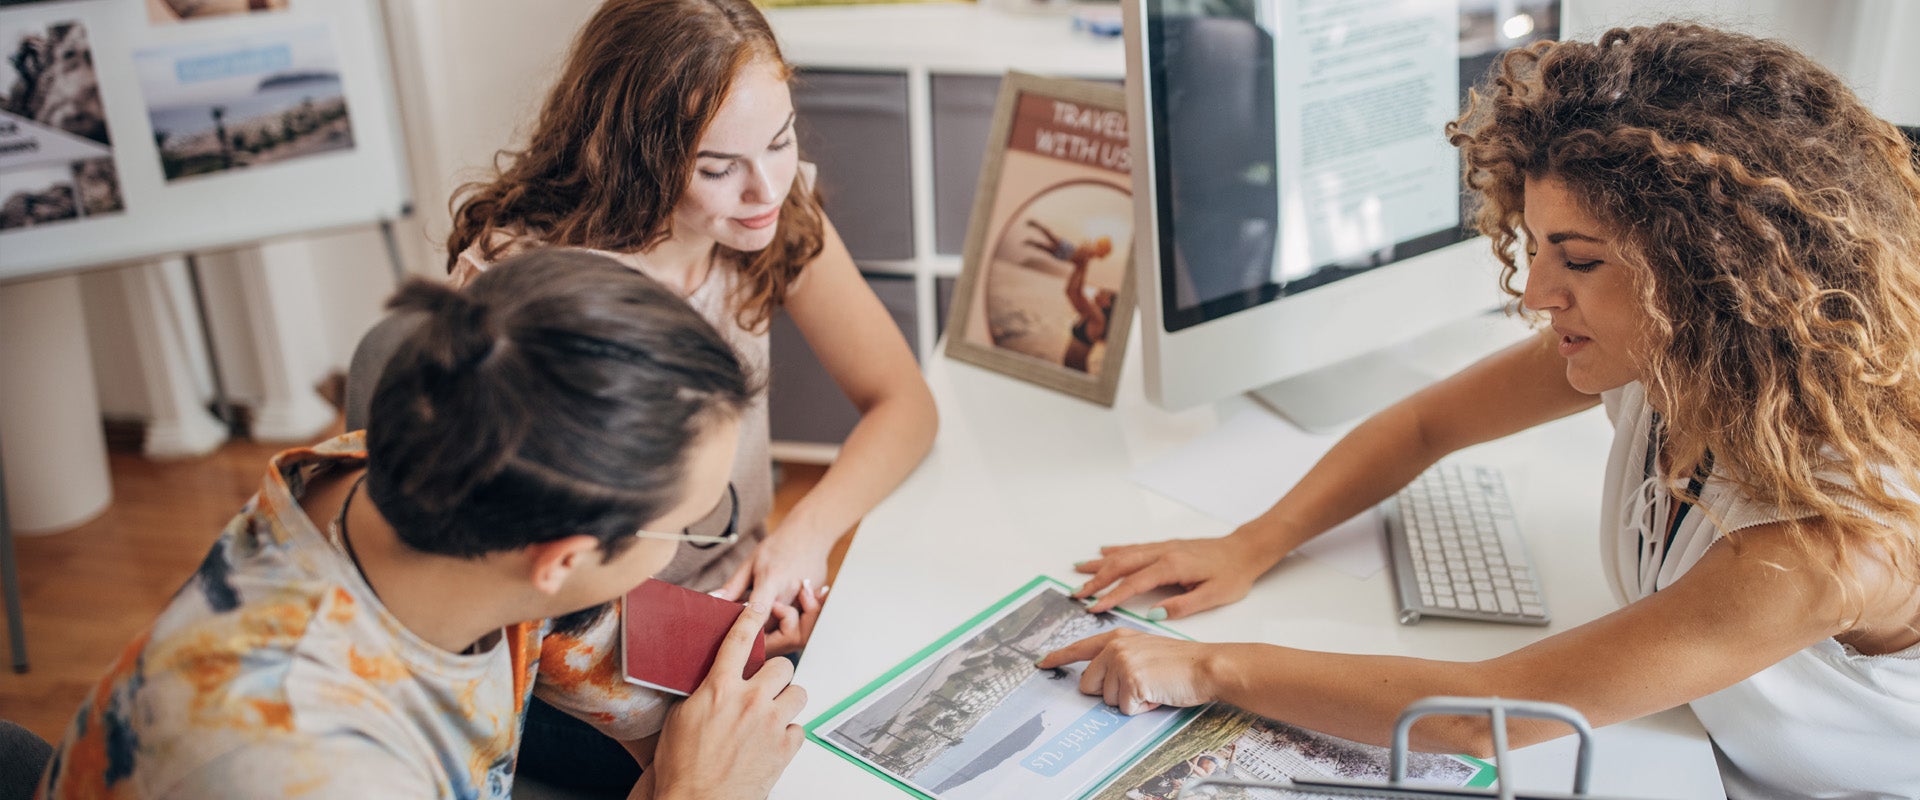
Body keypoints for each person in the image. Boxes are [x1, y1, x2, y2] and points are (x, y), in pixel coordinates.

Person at [1040, 23, 1920, 799]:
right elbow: (1426, 425)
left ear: (1712, 277)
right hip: (1682, 743)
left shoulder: (1828, 542)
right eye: (1535, 246)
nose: (1537, 292)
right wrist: (1251, 543)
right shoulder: (1659, 350)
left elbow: (1482, 717)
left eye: (1576, 261)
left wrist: (1206, 667)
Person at [35, 250, 812, 799]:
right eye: (682, 528)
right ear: (561, 557)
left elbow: (604, 652)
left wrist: (729, 648)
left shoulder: (438, 473)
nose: (684, 547)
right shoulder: (295, 758)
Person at [442, 0, 936, 790]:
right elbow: (515, 581)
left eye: (781, 139)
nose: (765, 187)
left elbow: (903, 402)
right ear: (627, 156)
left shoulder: (770, 212)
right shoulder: (528, 287)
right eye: (717, 167)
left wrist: (800, 539)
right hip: (573, 656)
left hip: (728, 622)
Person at [1022, 219, 1117, 372]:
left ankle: (1036, 237)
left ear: (1107, 304)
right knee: (1051, 244)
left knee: (1051, 246)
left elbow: (1077, 292)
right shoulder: (1089, 314)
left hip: (1079, 375)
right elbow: (1071, 292)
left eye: (1103, 293)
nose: (1099, 291)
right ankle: (1036, 234)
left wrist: (1083, 265)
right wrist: (1080, 266)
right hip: (1070, 372)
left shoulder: (1098, 319)